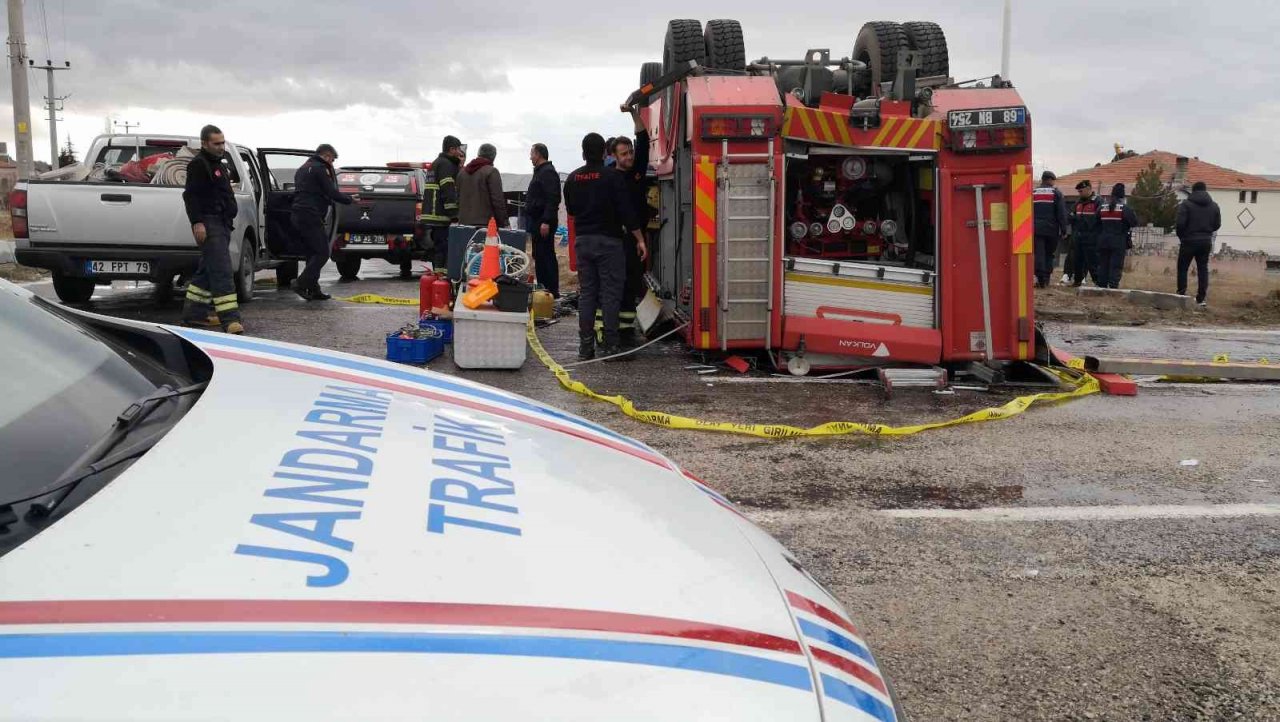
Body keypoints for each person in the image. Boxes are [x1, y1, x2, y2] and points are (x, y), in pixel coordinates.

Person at [564, 132, 647, 361]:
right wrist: (640, 239)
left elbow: (571, 211)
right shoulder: (612, 177)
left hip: (584, 242)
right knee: (611, 294)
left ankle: (585, 347)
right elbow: (626, 212)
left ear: (583, 153)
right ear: (604, 153)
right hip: (609, 243)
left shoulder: (572, 179)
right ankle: (611, 345)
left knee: (588, 294)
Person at [180, 124, 243, 334]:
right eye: (216, 143)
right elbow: (191, 196)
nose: (221, 147)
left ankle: (194, 315)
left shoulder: (218, 164)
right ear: (204, 143)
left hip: (222, 223)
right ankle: (231, 320)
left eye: (223, 142)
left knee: (207, 271)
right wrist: (197, 223)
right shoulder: (199, 165)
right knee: (222, 271)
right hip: (209, 222)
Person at [604, 104, 651, 346]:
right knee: (614, 284)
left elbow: (643, 139)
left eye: (630, 152)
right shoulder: (608, 177)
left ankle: (626, 331)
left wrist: (634, 112)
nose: (630, 157)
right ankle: (610, 331)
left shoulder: (637, 172)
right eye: (624, 154)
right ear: (614, 156)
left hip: (635, 240)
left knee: (632, 283)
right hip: (615, 239)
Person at [290, 144, 356, 300]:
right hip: (310, 215)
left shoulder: (303, 168)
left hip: (298, 214)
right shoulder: (320, 169)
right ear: (326, 156)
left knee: (312, 253)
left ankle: (313, 289)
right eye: (332, 160)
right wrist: (350, 199)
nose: (332, 164)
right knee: (322, 252)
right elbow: (331, 192)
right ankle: (301, 283)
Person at [1175, 181, 1222, 307]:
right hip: (1206, 241)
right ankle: (1201, 298)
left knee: (1183, 267)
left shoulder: (1186, 205)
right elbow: (1217, 225)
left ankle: (1181, 294)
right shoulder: (1214, 206)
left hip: (1188, 240)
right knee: (1202, 269)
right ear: (1205, 190)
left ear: (1193, 191)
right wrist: (1207, 233)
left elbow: (1180, 224)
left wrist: (1182, 236)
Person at [424, 136, 465, 277]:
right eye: (458, 148)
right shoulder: (447, 165)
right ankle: (443, 280)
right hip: (441, 215)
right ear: (451, 149)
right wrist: (454, 215)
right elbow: (448, 190)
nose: (460, 152)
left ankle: (438, 277)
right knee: (445, 249)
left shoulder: (437, 163)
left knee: (438, 249)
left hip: (433, 215)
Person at [524, 143, 562, 297]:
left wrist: (546, 221)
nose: (530, 157)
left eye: (532, 153)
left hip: (543, 222)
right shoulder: (540, 172)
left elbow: (553, 198)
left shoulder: (547, 172)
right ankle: (543, 289)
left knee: (546, 256)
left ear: (539, 154)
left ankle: (551, 292)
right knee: (539, 256)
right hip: (537, 221)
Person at [1096, 183, 1138, 289]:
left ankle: (1101, 285)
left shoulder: (1102, 208)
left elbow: (1096, 223)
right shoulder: (1124, 209)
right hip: (1118, 241)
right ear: (1123, 195)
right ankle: (1113, 286)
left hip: (1103, 240)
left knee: (1103, 264)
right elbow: (1134, 222)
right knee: (1116, 265)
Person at [1032, 170, 1068, 288]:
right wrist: (1064, 230)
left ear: (1042, 179)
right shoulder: (1056, 193)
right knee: (1049, 254)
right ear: (1050, 180)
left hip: (1036, 229)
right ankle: (1046, 277)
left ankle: (1040, 277)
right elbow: (1061, 213)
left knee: (1039, 253)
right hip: (1051, 229)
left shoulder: (1033, 192)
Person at [457, 143, 507, 228]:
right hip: (485, 225)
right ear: (493, 157)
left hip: (463, 224)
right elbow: (497, 201)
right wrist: (504, 223)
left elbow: (457, 198)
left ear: (479, 154)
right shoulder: (492, 172)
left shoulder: (462, 173)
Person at [1069, 180, 1102, 286]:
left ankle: (1098, 282)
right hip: (1078, 236)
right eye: (1078, 191)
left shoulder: (1097, 201)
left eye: (1081, 191)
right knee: (1077, 260)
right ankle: (1077, 281)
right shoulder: (1078, 202)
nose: (1080, 193)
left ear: (1088, 189)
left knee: (1093, 261)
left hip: (1092, 237)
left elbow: (1100, 219)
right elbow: (1071, 215)